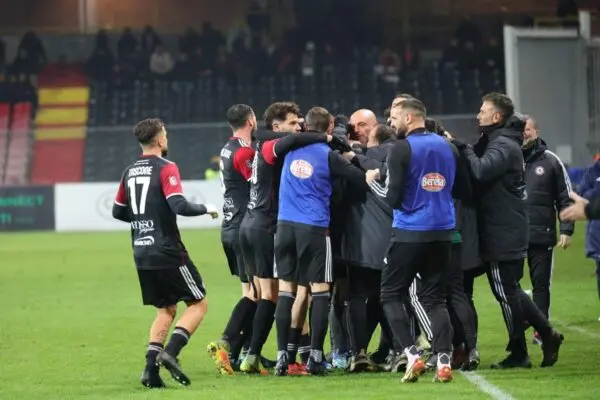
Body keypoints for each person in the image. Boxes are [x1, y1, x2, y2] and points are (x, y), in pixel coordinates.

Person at [453, 92, 564, 369]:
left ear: (497, 116)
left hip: (503, 230)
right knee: (509, 289)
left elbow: (480, 172)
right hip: (502, 227)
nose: (478, 114)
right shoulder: (500, 141)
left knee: (506, 292)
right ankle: (547, 334)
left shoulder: (503, 144)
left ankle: (520, 352)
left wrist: (464, 148)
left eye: (483, 110)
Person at [112, 118, 217, 388]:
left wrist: (144, 219)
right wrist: (206, 208)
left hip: (141, 250)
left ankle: (150, 370)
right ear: (159, 140)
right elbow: (178, 205)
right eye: (166, 135)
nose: (167, 139)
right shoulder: (166, 167)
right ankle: (171, 352)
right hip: (167, 249)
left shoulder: (129, 171)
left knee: (165, 309)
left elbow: (117, 211)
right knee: (198, 303)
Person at [367, 98, 464, 383]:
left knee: (390, 294)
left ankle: (412, 355)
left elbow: (392, 197)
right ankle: (443, 361)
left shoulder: (401, 148)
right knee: (436, 298)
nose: (391, 123)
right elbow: (460, 188)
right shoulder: (449, 147)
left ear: (409, 118)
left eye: (395, 117)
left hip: (409, 231)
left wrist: (372, 181)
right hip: (442, 232)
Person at [273, 106, 368, 376]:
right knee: (320, 290)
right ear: (329, 128)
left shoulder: (289, 150)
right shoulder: (329, 155)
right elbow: (360, 180)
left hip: (284, 227)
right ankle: (315, 356)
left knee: (286, 291)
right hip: (314, 228)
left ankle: (283, 357)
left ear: (305, 126)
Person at [238, 102, 332, 374]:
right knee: (281, 293)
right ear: (276, 126)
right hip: (270, 225)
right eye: (293, 123)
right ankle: (256, 352)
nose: (298, 127)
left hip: (256, 224)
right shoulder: (272, 145)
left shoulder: (267, 144)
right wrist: (324, 138)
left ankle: (274, 354)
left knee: (270, 292)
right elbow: (291, 139)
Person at [208, 104, 257, 375]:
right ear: (251, 120)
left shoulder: (227, 148)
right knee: (259, 294)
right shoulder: (244, 152)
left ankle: (241, 354)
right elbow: (257, 186)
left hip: (229, 225)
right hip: (243, 226)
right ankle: (227, 342)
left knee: (249, 292)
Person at [521, 115, 574, 343]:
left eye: (528, 129)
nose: (524, 133)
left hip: (541, 234)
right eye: (520, 129)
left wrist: (567, 229)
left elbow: (565, 197)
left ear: (537, 132)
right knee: (509, 285)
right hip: (512, 236)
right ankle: (518, 329)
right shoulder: (507, 158)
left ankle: (540, 332)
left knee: (541, 285)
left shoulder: (551, 161)